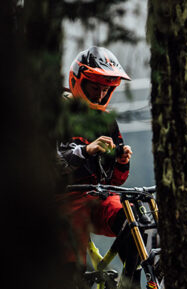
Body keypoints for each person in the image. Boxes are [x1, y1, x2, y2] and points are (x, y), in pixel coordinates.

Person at [57, 46, 133, 265]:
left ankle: (134, 282)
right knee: (71, 270)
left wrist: (121, 162)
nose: (100, 95)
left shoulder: (106, 122)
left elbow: (114, 182)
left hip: (98, 198)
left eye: (106, 89)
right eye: (95, 88)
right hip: (63, 202)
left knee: (133, 222)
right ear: (78, 80)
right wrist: (86, 150)